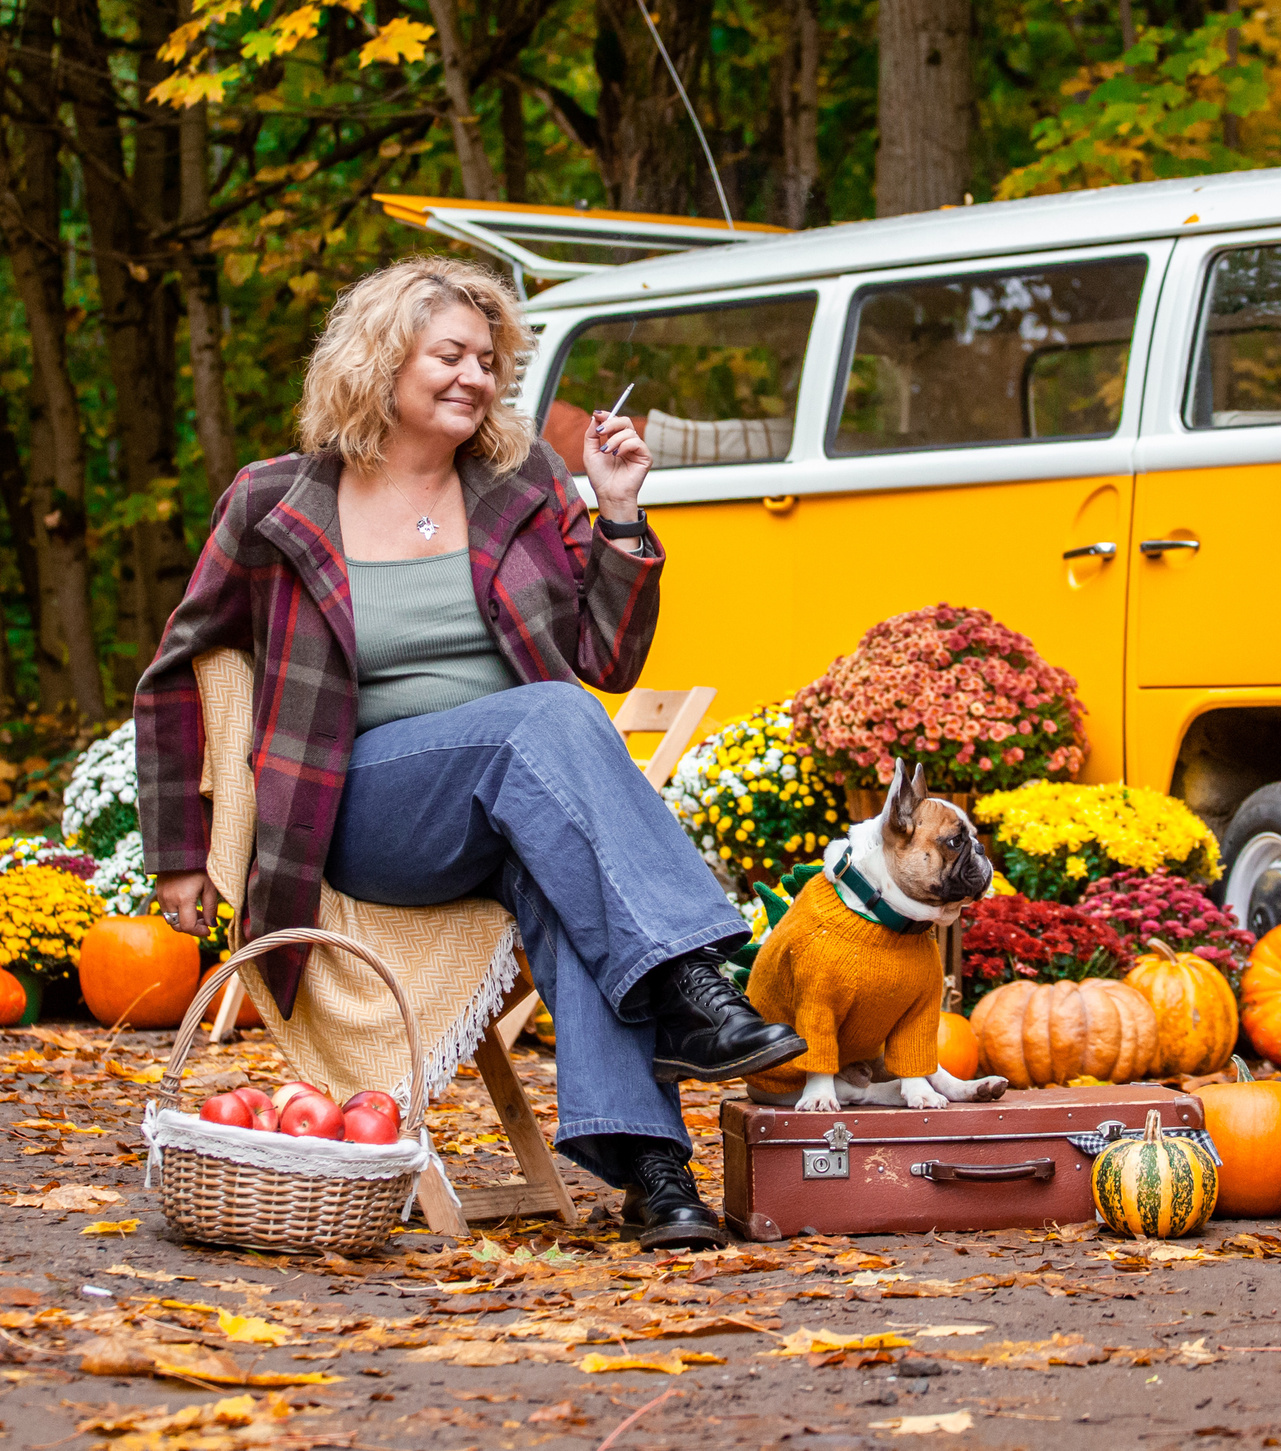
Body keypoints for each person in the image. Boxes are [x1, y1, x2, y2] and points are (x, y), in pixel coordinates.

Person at [134, 254, 803, 1249]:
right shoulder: (277, 503)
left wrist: (618, 510)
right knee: (547, 718)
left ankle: (656, 1177)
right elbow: (173, 672)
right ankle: (697, 982)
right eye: (449, 354)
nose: (474, 378)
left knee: (572, 874)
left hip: (517, 801)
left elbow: (604, 659)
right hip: (362, 812)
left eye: (488, 362)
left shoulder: (522, 482)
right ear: (380, 360)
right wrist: (179, 853)